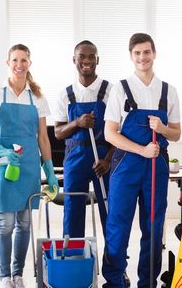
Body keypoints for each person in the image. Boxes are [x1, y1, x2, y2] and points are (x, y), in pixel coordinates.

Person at [102, 33, 181, 287]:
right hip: (126, 165)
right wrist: (141, 150)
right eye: (137, 53)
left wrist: (163, 128)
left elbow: (176, 133)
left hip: (156, 166)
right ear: (131, 56)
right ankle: (115, 280)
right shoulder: (120, 89)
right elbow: (110, 133)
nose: (142, 57)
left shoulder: (168, 91)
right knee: (118, 224)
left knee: (154, 225)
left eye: (146, 52)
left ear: (154, 54)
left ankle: (148, 281)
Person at [0, 44, 59, 288]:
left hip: (28, 166)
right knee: (5, 223)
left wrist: (49, 170)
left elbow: (43, 138)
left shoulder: (37, 97)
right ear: (8, 63)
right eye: (15, 60)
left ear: (29, 64)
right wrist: (0, 151)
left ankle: (18, 275)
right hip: (5, 164)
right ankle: (5, 276)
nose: (19, 64)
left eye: (24, 60)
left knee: (24, 223)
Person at [54, 40, 114, 238]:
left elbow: (119, 132)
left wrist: (107, 161)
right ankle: (72, 260)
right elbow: (58, 132)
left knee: (110, 209)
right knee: (72, 210)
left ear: (98, 59)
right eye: (82, 56)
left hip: (103, 159)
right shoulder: (66, 94)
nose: (86, 60)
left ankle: (114, 265)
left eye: (91, 56)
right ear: (74, 60)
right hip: (75, 158)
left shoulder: (110, 91)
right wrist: (77, 123)